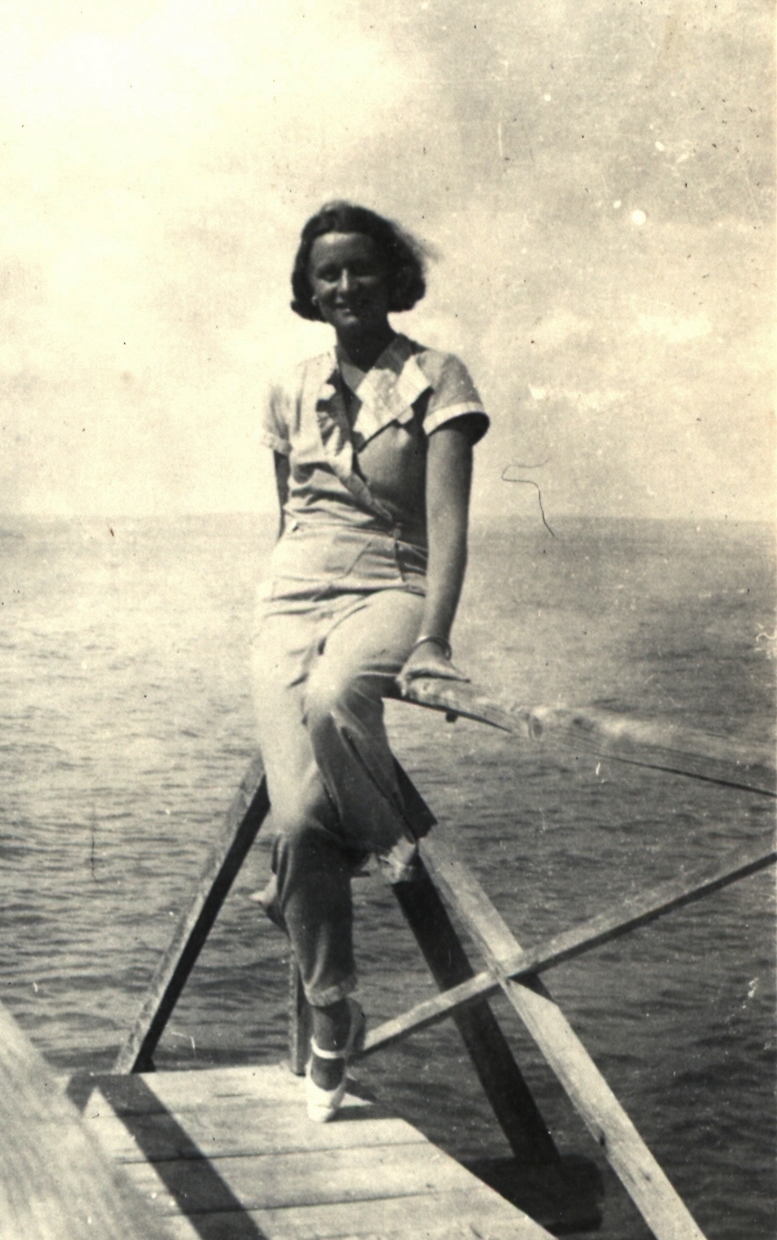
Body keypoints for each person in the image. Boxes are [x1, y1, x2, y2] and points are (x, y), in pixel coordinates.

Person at [250, 200, 489, 1122]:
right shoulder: (286, 390)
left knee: (339, 698)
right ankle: (332, 1011)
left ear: (394, 277)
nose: (344, 286)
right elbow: (290, 515)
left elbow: (451, 528)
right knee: (302, 822)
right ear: (309, 292)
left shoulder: (437, 378)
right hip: (287, 600)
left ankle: (391, 846)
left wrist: (433, 638)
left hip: (391, 585)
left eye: (360, 269)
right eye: (326, 275)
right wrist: (280, 610)